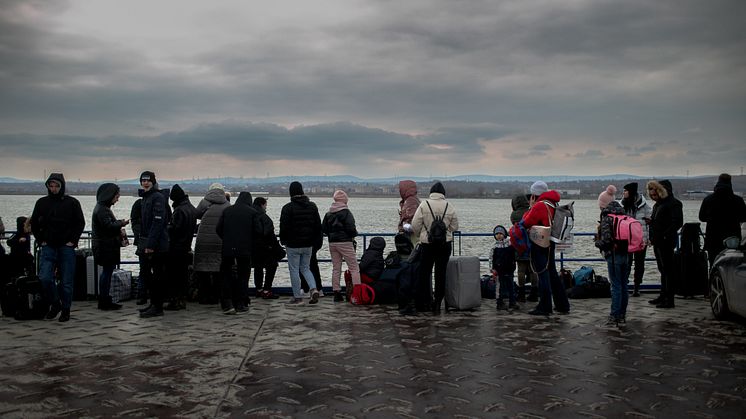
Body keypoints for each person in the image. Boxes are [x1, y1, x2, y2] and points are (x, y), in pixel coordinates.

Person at [30, 173, 85, 322]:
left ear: (62, 186)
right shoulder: (41, 203)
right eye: (51, 186)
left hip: (66, 247)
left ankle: (66, 309)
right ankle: (55, 303)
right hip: (48, 246)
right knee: (45, 278)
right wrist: (41, 240)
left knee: (66, 281)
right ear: (48, 186)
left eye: (56, 186)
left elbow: (80, 223)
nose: (53, 189)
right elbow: (34, 223)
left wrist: (73, 241)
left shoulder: (72, 202)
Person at [522, 180, 570, 316]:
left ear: (534, 194)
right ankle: (562, 304)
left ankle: (545, 305)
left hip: (540, 243)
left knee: (542, 273)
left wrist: (531, 207)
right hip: (551, 241)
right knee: (552, 273)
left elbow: (526, 222)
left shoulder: (539, 206)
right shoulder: (553, 203)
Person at [410, 181, 459, 313]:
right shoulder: (449, 206)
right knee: (440, 274)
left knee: (424, 273)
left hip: (427, 244)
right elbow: (455, 227)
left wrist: (423, 233)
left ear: (431, 192)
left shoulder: (424, 204)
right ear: (443, 193)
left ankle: (425, 302)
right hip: (444, 244)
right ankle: (438, 304)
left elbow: (415, 225)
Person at [216, 191, 265, 314]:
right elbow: (258, 231)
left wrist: (227, 239)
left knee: (226, 275)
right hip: (244, 250)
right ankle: (240, 303)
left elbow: (218, 229)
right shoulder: (253, 213)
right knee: (243, 276)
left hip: (227, 249)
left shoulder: (227, 211)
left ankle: (227, 303)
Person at [280, 181, 323, 305]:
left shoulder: (287, 208)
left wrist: (283, 240)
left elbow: (284, 226)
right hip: (308, 244)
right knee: (306, 268)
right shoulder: (312, 206)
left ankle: (297, 297)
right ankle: (313, 288)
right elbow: (317, 226)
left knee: (294, 270)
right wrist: (315, 242)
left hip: (293, 244)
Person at [137, 171, 171, 318]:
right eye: (143, 180)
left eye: (148, 180)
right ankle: (154, 303)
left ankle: (157, 306)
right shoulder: (145, 198)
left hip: (157, 244)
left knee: (157, 275)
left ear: (153, 182)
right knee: (146, 274)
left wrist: (150, 244)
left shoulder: (157, 197)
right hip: (147, 242)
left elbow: (158, 222)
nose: (145, 183)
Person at [91, 183, 129, 311]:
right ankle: (104, 300)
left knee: (106, 272)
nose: (117, 199)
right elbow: (108, 226)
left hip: (104, 246)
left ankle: (105, 299)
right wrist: (121, 223)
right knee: (107, 272)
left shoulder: (101, 208)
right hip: (105, 247)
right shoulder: (103, 210)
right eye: (116, 196)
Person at [646, 179, 683, 309]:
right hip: (658, 241)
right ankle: (663, 295)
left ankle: (670, 299)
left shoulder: (674, 204)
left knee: (668, 270)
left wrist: (665, 234)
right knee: (662, 270)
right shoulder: (658, 205)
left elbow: (677, 222)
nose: (653, 193)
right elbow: (658, 222)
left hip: (666, 241)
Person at [699, 173, 746, 268]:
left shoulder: (708, 199)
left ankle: (714, 281)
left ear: (718, 182)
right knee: (732, 265)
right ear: (730, 183)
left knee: (713, 264)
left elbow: (702, 217)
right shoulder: (738, 200)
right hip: (732, 239)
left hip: (713, 238)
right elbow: (744, 217)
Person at [193, 183, 230, 304]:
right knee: (218, 270)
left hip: (204, 239)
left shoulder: (205, 202)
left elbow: (196, 215)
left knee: (203, 269)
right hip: (220, 240)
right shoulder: (227, 204)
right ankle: (216, 296)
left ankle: (204, 296)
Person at [595, 200, 630, 326]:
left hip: (614, 255)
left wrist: (596, 242)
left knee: (615, 286)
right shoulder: (625, 216)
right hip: (626, 254)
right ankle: (622, 314)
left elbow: (606, 241)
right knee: (624, 285)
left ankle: (614, 315)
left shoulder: (607, 218)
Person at [322, 190, 360, 302]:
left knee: (336, 268)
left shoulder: (329, 213)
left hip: (332, 243)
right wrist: (353, 235)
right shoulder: (346, 212)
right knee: (354, 268)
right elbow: (351, 229)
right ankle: (357, 293)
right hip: (345, 242)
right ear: (345, 200)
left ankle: (336, 293)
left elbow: (323, 228)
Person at [165, 184, 197, 311]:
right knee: (182, 276)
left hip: (175, 248)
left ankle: (175, 301)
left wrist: (165, 227)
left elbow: (174, 229)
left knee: (174, 276)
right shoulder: (191, 208)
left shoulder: (179, 210)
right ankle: (181, 300)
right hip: (186, 247)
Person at [621, 182, 652, 296]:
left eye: (625, 191)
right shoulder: (622, 204)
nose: (623, 193)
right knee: (626, 263)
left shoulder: (644, 205)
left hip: (640, 239)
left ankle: (636, 287)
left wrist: (648, 239)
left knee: (640, 264)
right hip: (626, 239)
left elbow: (649, 222)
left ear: (631, 192)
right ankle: (625, 285)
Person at [252, 196, 281, 299]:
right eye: (265, 205)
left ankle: (258, 289)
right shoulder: (264, 217)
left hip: (252, 248)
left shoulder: (250, 215)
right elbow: (270, 234)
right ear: (262, 204)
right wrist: (277, 248)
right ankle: (267, 290)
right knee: (272, 266)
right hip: (266, 248)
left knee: (257, 267)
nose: (266, 207)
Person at [510, 194, 537, 302]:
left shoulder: (514, 215)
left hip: (519, 245)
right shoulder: (531, 211)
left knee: (520, 270)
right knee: (533, 270)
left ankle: (521, 294)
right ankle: (534, 293)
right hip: (532, 243)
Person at [491, 225, 518, 310]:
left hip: (509, 268)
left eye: (500, 233)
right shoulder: (494, 246)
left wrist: (514, 264)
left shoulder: (510, 243)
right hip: (499, 270)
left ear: (504, 234)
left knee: (511, 286)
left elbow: (515, 253)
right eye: (497, 234)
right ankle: (499, 303)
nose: (499, 235)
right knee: (499, 287)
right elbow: (491, 258)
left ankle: (512, 302)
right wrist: (492, 269)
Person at [130, 198, 147, 304]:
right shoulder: (160, 202)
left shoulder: (138, 203)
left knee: (143, 270)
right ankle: (144, 294)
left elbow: (134, 221)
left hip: (141, 242)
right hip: (147, 242)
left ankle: (142, 295)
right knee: (146, 270)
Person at [398, 180, 421, 246]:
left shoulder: (410, 201)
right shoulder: (414, 199)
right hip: (415, 234)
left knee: (412, 253)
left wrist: (403, 226)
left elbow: (410, 217)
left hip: (411, 235)